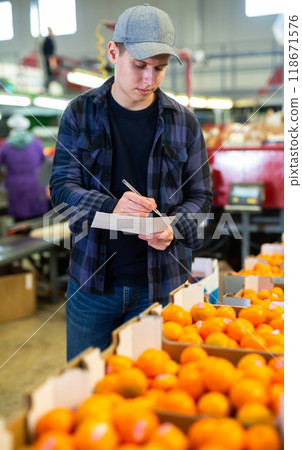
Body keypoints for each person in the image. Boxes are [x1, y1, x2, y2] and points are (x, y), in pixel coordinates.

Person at [49, 4, 213, 361]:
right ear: (113, 52)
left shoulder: (183, 122)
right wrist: (111, 205)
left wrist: (173, 226)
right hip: (92, 286)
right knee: (86, 390)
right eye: (139, 65)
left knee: (154, 388)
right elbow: (62, 188)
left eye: (159, 68)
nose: (149, 79)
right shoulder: (80, 113)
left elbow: (202, 198)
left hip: (162, 286)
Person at [0, 114, 49, 222]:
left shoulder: (5, 145)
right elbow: (44, 161)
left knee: (20, 222)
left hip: (15, 186)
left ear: (11, 128)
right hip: (35, 183)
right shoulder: (36, 142)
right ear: (26, 127)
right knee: (38, 220)